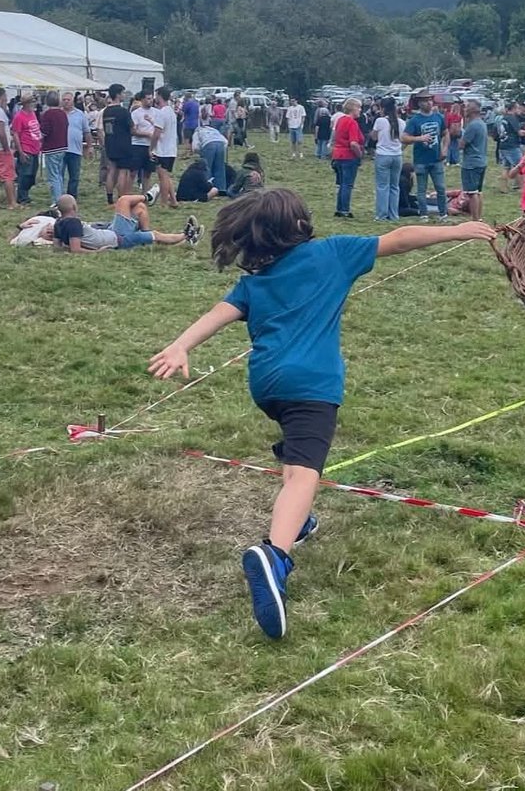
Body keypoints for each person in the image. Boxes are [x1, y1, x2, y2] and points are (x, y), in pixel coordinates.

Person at [147, 188, 497, 639]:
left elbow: (218, 312)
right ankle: (275, 557)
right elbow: (400, 238)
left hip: (267, 384)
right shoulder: (333, 252)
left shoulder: (256, 282)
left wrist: (180, 345)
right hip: (312, 384)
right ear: (298, 225)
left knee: (296, 450)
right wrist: (457, 230)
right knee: (302, 474)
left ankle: (300, 521)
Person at [51, 193, 201, 252]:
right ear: (74, 207)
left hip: (111, 233)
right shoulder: (73, 223)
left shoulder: (59, 223)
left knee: (139, 208)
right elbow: (76, 249)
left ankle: (185, 238)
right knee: (124, 200)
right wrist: (97, 252)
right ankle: (187, 236)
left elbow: (58, 247)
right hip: (118, 238)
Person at [404, 92, 448, 221]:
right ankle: (423, 214)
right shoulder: (414, 120)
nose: (429, 103)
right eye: (425, 101)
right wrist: (419, 138)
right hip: (421, 160)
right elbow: (404, 137)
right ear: (419, 103)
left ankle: (443, 214)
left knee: (440, 188)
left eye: (430, 100)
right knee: (421, 189)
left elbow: (446, 133)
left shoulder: (438, 117)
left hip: (436, 159)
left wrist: (444, 149)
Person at [370, 96, 403, 222]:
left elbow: (374, 137)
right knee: (394, 186)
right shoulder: (401, 122)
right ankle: (394, 214)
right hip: (397, 155)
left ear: (382, 108)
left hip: (383, 154)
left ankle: (381, 214)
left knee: (382, 186)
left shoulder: (380, 121)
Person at [331, 97, 364, 218]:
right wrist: (360, 155)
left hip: (338, 155)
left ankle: (339, 208)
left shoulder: (340, 120)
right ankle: (345, 209)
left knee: (341, 184)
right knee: (348, 184)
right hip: (349, 156)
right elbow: (353, 143)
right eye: (359, 107)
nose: (360, 110)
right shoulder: (352, 122)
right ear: (353, 108)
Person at [102, 84, 135, 202]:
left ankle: (109, 197)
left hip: (110, 143)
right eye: (123, 93)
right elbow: (132, 128)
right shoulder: (123, 112)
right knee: (123, 171)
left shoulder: (106, 111)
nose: (124, 95)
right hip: (123, 144)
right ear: (117, 94)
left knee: (111, 170)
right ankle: (121, 197)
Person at [458, 98, 489, 221]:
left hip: (471, 163)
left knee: (472, 193)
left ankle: (475, 219)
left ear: (472, 110)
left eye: (467, 107)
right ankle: (479, 217)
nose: (464, 109)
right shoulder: (481, 123)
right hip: (481, 161)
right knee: (478, 192)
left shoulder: (473, 125)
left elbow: (462, 144)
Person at [11, 94, 42, 205]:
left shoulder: (32, 114)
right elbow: (15, 134)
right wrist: (20, 152)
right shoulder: (19, 117)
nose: (34, 104)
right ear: (26, 104)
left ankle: (25, 194)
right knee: (25, 174)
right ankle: (22, 197)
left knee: (32, 174)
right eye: (32, 102)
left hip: (35, 148)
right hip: (26, 148)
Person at [39, 90, 69, 205]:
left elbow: (45, 131)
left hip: (51, 148)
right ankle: (61, 197)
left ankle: (57, 201)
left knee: (53, 176)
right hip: (63, 146)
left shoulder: (47, 114)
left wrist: (39, 137)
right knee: (59, 175)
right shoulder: (63, 113)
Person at [61, 91, 92, 199]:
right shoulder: (58, 113)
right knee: (59, 175)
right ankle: (60, 196)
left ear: (73, 101)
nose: (66, 102)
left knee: (74, 176)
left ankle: (72, 196)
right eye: (64, 100)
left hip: (75, 149)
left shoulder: (80, 114)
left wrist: (90, 146)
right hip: (60, 149)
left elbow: (86, 131)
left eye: (68, 100)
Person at [192, 118, 230, 195]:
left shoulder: (198, 131)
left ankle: (207, 188)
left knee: (206, 168)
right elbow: (225, 141)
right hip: (221, 144)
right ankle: (221, 188)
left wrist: (200, 152)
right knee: (220, 167)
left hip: (208, 145)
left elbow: (195, 147)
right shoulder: (214, 130)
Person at [498, 101, 525, 191]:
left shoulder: (503, 118)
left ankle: (503, 188)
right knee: (519, 166)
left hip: (503, 144)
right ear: (514, 108)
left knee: (506, 167)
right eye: (518, 108)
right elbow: (519, 132)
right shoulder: (512, 118)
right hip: (512, 145)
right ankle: (522, 188)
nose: (519, 110)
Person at [444, 100, 463, 165]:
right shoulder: (460, 116)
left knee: (449, 146)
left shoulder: (449, 115)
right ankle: (456, 161)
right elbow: (461, 125)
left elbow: (447, 125)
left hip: (450, 132)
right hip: (457, 133)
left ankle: (448, 161)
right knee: (456, 146)